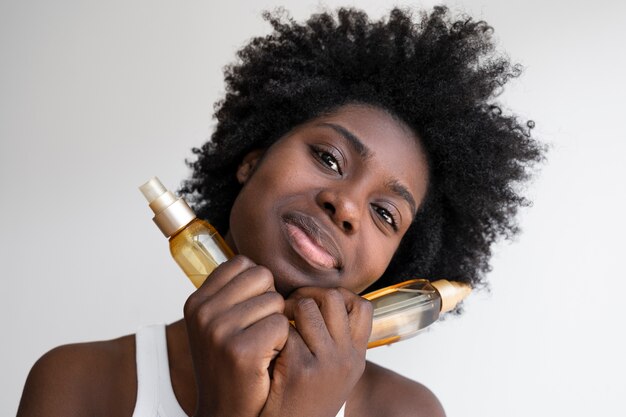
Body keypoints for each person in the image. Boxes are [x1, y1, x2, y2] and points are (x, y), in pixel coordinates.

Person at [16, 6, 544, 417]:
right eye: (327, 157)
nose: (346, 204)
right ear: (250, 160)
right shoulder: (78, 381)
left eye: (386, 214)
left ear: (395, 270)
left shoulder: (405, 411)